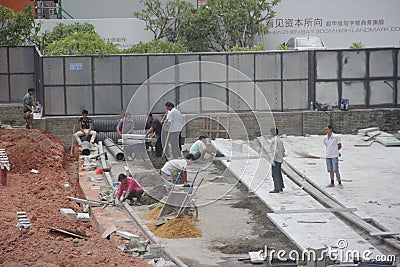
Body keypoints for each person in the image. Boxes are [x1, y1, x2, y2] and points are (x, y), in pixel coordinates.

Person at [269, 127, 285, 193]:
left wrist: (273, 160)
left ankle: (277, 188)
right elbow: (283, 149)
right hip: (280, 159)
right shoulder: (280, 140)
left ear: (272, 133)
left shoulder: (274, 141)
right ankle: (280, 186)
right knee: (278, 173)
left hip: (276, 159)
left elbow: (274, 151)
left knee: (275, 174)